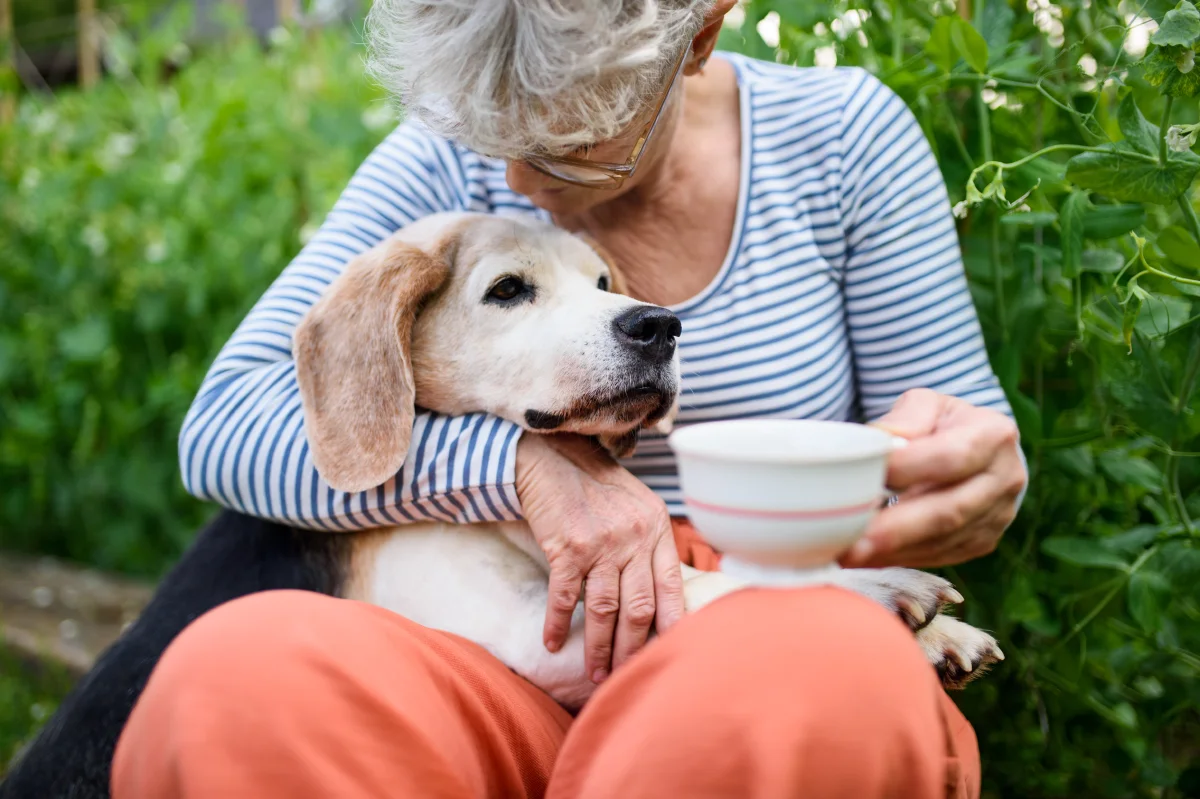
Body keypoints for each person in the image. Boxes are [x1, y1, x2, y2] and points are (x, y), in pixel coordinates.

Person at [113, 0, 1028, 796]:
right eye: (497, 138)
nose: (516, 182)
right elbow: (228, 426)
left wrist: (960, 481)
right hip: (493, 637)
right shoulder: (444, 165)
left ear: (698, 36)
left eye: (567, 139)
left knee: (812, 672)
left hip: (761, 628)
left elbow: (948, 432)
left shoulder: (843, 140)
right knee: (244, 677)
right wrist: (522, 466)